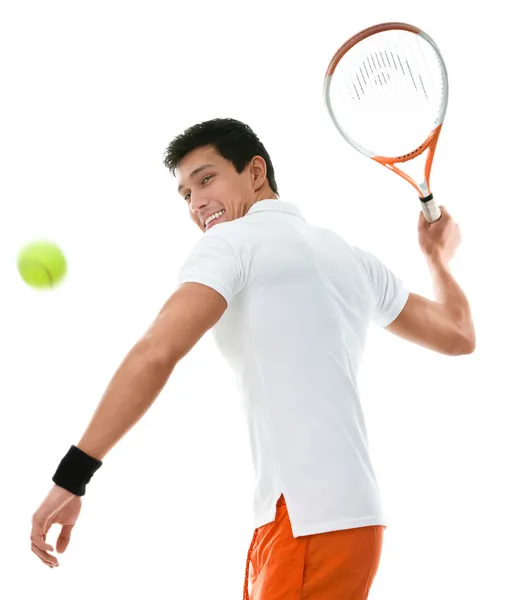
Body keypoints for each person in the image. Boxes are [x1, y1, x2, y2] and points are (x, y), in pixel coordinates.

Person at [30, 118, 476, 599]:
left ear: (255, 171)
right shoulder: (351, 258)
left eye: (206, 179)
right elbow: (457, 334)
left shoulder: (230, 245)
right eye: (185, 194)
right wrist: (437, 260)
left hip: (307, 521)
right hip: (319, 518)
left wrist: (72, 478)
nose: (197, 202)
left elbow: (156, 352)